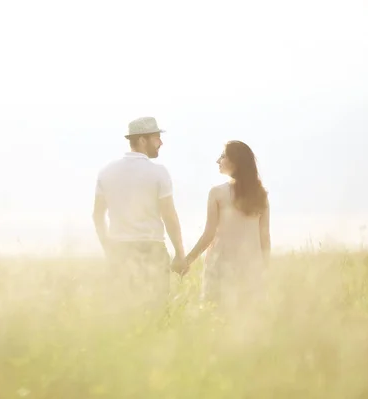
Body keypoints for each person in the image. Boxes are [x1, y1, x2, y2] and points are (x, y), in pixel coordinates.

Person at [92, 117, 186, 297]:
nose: (161, 143)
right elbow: (169, 216)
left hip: (119, 249)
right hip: (152, 249)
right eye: (157, 138)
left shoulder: (106, 172)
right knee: (156, 309)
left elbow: (97, 215)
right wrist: (180, 254)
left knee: (123, 309)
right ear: (143, 140)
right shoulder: (159, 172)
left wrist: (108, 246)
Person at [181, 140, 271, 308]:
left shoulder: (217, 192)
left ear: (235, 161)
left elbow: (209, 234)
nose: (218, 161)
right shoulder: (261, 195)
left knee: (217, 317)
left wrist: (187, 261)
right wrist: (264, 270)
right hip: (252, 267)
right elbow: (264, 237)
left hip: (221, 266)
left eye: (222, 156)